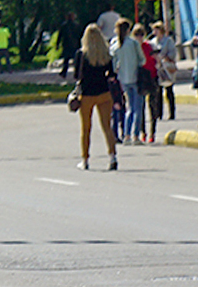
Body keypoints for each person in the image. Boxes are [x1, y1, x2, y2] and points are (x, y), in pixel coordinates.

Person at [72, 24, 121, 171]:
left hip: (86, 95)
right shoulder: (106, 54)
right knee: (107, 127)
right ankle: (112, 157)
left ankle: (85, 160)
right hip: (104, 94)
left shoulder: (81, 55)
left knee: (86, 128)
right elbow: (112, 76)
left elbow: (76, 75)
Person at [112, 18, 143, 144]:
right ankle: (136, 135)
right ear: (129, 30)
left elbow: (114, 66)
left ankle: (126, 135)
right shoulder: (134, 44)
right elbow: (143, 60)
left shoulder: (115, 45)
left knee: (129, 108)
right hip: (136, 78)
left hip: (123, 79)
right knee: (138, 108)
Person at [134, 23, 162, 145]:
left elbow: (157, 59)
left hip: (151, 76)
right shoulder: (133, 48)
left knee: (153, 105)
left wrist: (159, 63)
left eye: (141, 35)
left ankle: (152, 132)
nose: (139, 37)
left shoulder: (150, 46)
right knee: (141, 106)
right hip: (140, 78)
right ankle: (142, 132)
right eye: (137, 35)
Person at [152, 21, 178, 121]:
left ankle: (172, 113)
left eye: (156, 30)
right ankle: (159, 113)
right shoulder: (153, 41)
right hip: (158, 68)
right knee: (158, 92)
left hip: (167, 68)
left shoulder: (168, 41)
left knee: (169, 91)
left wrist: (166, 57)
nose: (154, 32)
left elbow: (173, 53)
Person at [55, 13, 78, 79]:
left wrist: (57, 44)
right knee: (75, 59)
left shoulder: (64, 26)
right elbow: (79, 35)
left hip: (66, 44)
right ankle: (76, 72)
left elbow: (60, 35)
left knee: (66, 59)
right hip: (74, 44)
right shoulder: (76, 25)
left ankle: (64, 72)